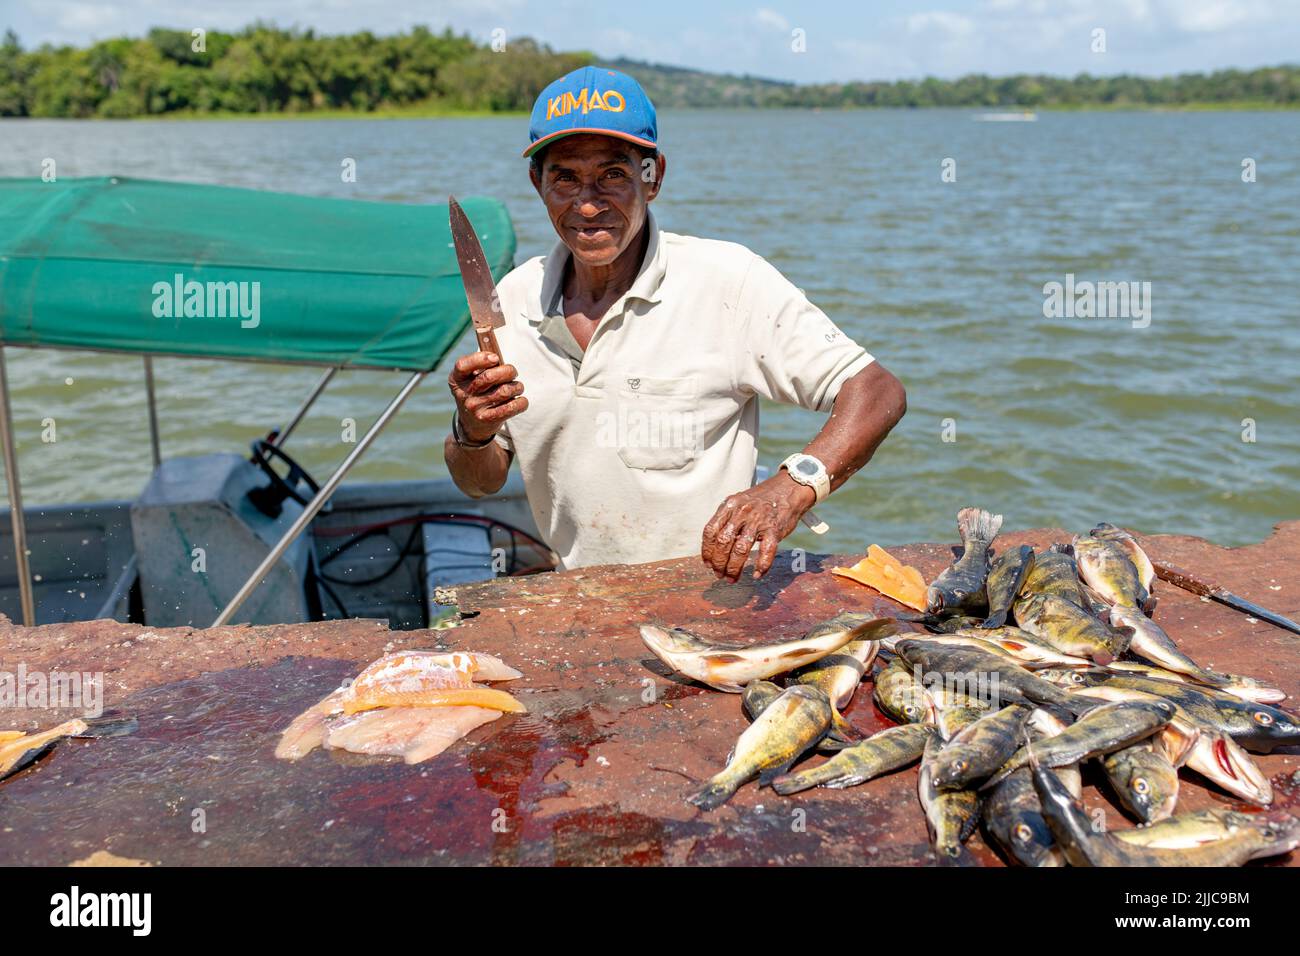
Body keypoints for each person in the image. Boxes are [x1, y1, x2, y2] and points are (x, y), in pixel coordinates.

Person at [444, 66, 905, 582]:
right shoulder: (510, 301)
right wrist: (473, 432)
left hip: (713, 594)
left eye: (613, 175)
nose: (588, 203)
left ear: (653, 176)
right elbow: (480, 483)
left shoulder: (729, 282)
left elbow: (875, 389)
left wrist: (791, 486)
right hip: (578, 594)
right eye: (565, 177)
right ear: (538, 183)